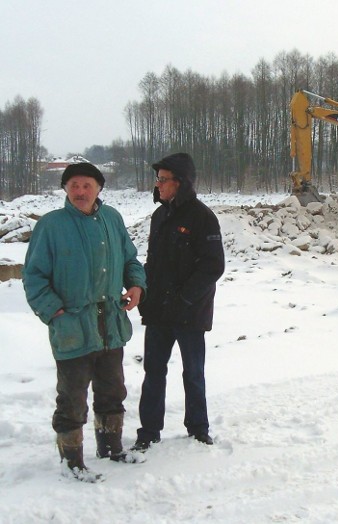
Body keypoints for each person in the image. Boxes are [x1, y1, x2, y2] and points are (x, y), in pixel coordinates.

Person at [23, 162, 147, 482]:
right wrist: (54, 312)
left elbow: (130, 259)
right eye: (74, 185)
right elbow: (34, 277)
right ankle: (71, 461)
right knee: (72, 396)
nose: (80, 192)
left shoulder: (113, 219)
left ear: (98, 189)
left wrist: (135, 284)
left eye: (86, 186)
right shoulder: (51, 225)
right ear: (65, 189)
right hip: (72, 326)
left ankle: (111, 448)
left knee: (112, 389)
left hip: (110, 322)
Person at [134, 152, 225, 451]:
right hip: (159, 312)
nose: (158, 184)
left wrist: (184, 299)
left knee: (193, 372)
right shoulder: (160, 216)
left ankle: (198, 428)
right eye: (157, 179)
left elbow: (213, 266)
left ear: (180, 182)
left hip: (190, 313)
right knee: (153, 372)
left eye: (163, 179)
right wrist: (144, 292)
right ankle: (148, 431)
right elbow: (153, 262)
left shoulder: (202, 217)